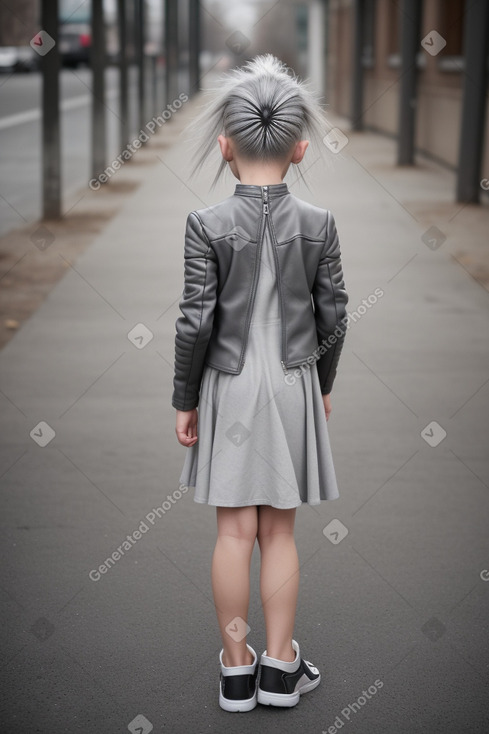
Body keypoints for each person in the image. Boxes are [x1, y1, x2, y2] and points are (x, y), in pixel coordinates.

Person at [171, 54, 349, 713]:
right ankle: (281, 667)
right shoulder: (320, 223)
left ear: (224, 146)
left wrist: (184, 399)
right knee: (279, 532)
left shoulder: (205, 225)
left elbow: (196, 321)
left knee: (232, 534)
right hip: (294, 379)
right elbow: (333, 312)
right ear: (300, 149)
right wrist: (322, 382)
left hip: (228, 382)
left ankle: (236, 668)